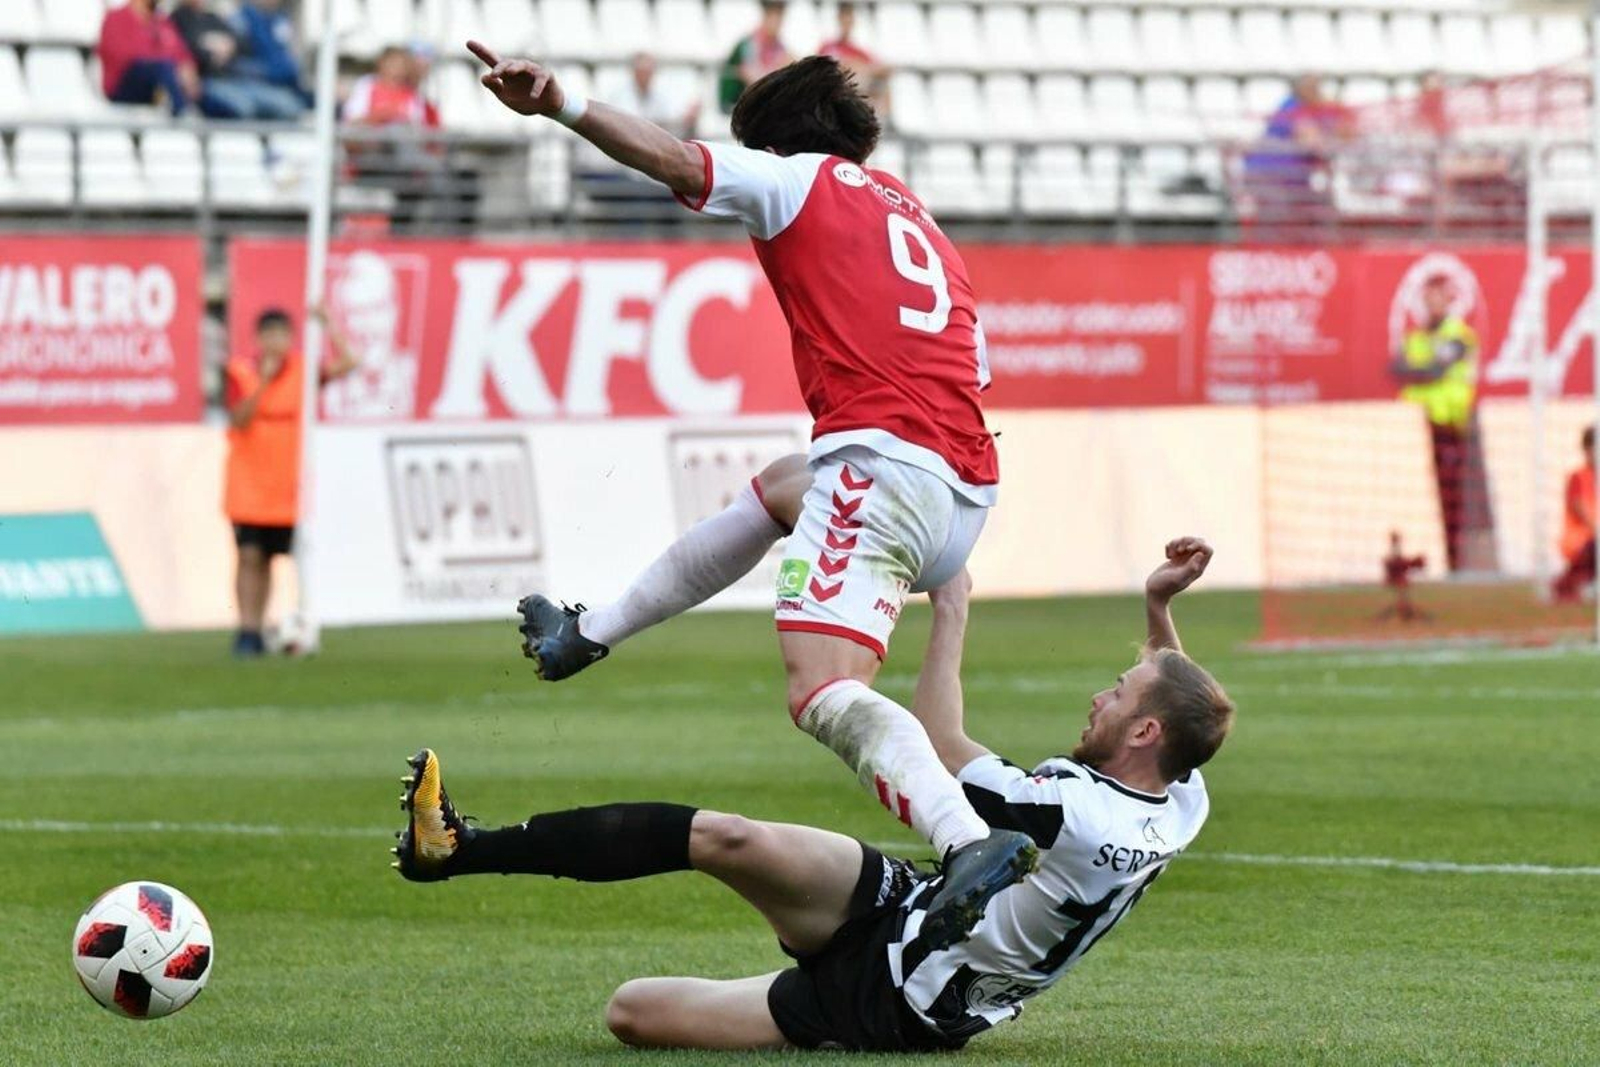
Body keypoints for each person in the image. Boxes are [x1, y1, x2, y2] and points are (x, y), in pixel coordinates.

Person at [470, 43, 1020, 948]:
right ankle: (589, 632)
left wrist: (564, 105)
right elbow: (974, 363)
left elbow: (673, 160)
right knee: (778, 489)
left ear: (770, 143)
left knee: (820, 691)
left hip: (885, 469)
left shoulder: (793, 181)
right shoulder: (921, 223)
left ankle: (965, 840)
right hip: (964, 488)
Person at [390, 538, 1234, 1052]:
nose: (1101, 696)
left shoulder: (1067, 815)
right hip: (916, 907)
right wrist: (1158, 607)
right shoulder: (1178, 799)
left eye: (1117, 693)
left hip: (895, 1002)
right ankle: (458, 847)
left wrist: (952, 607)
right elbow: (1180, 709)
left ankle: (807, 1006)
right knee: (728, 836)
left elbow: (941, 745)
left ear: (1142, 733)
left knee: (630, 1012)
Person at [223, 306, 358, 658]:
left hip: (289, 486)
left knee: (289, 559)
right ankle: (248, 629)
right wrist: (264, 381)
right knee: (251, 556)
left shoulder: (303, 371)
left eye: (282, 336)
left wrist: (328, 322)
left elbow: (350, 362)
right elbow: (238, 420)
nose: (275, 343)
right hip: (249, 483)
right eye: (269, 336)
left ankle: (295, 627)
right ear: (258, 339)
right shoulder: (241, 372)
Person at [1389, 273, 1485, 572]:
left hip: (1455, 425)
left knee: (1457, 496)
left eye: (1438, 295)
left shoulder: (1459, 335)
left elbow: (1434, 369)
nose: (1433, 302)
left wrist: (1423, 370)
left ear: (1449, 299)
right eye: (1428, 296)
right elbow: (1397, 367)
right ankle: (1446, 559)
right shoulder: (1416, 337)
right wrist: (1424, 370)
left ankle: (1459, 560)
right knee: (1440, 495)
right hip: (1424, 424)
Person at [1241, 75, 1353, 228]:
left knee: (1289, 217)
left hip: (1279, 178)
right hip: (1274, 177)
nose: (1320, 93)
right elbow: (1313, 143)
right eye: (1317, 88)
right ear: (1305, 90)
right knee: (1281, 221)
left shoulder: (1296, 107)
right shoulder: (1295, 107)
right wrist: (1334, 139)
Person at [171, 0, 305, 120]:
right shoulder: (176, 19)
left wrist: (228, 46)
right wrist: (208, 50)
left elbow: (243, 45)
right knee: (244, 108)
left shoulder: (211, 17)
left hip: (234, 79)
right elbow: (186, 50)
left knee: (289, 106)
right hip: (207, 83)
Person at [98, 0, 202, 116]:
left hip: (158, 84)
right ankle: (183, 113)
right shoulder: (116, 18)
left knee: (209, 92)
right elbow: (125, 57)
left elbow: (181, 52)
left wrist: (187, 67)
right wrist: (172, 64)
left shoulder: (161, 20)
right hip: (122, 87)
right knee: (162, 68)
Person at [717, 0, 792, 113]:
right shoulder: (747, 45)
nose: (777, 23)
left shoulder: (780, 47)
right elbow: (753, 80)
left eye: (780, 17)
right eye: (774, 16)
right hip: (739, 108)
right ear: (766, 16)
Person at [818, 3, 889, 119]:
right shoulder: (828, 46)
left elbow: (883, 69)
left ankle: (883, 119)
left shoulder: (859, 51)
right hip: (838, 92)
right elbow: (828, 68)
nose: (847, 23)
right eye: (844, 18)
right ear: (839, 19)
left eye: (849, 18)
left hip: (858, 91)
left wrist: (861, 67)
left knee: (879, 84)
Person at [236, 0, 311, 106]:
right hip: (259, 85)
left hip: (287, 84)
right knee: (289, 106)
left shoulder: (279, 18)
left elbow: (286, 57)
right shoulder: (241, 20)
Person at [1553, 425, 1596, 603]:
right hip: (1581, 540)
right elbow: (1580, 508)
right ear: (1587, 449)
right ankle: (1570, 585)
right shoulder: (1578, 477)